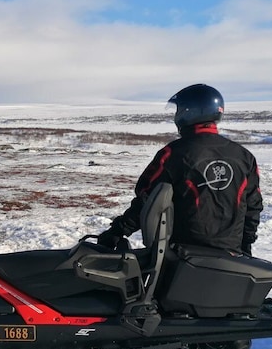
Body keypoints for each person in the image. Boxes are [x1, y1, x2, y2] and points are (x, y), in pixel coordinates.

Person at [98, 84, 262, 256]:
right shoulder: (244, 157)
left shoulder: (173, 154)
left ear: (189, 112)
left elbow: (147, 198)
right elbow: (253, 206)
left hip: (183, 257)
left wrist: (116, 232)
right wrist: (245, 248)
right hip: (231, 258)